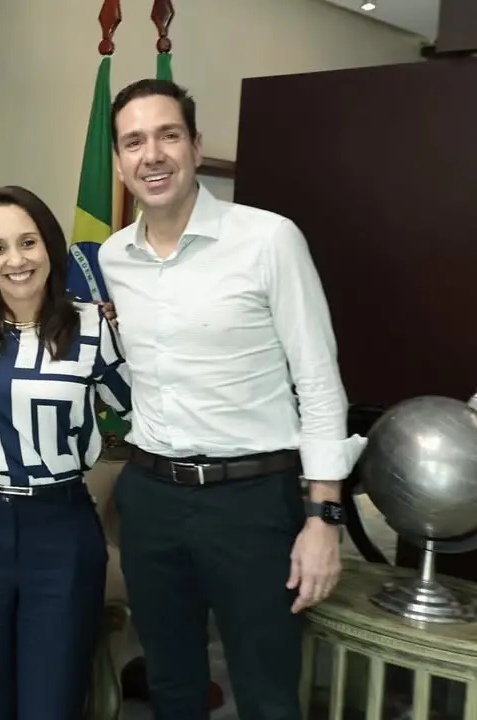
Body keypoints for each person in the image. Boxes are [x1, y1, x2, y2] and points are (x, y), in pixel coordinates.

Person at [98, 78, 365, 720]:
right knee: (172, 687)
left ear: (195, 144)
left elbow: (321, 383)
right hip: (153, 499)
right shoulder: (114, 257)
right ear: (118, 159)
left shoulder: (269, 240)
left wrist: (322, 521)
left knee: (267, 694)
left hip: (252, 503)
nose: (152, 155)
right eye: (134, 142)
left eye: (168, 135)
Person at [0, 185, 132, 720]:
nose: (15, 260)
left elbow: (140, 411)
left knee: (52, 703)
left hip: (61, 529)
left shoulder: (93, 326)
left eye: (29, 242)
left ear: (51, 246)